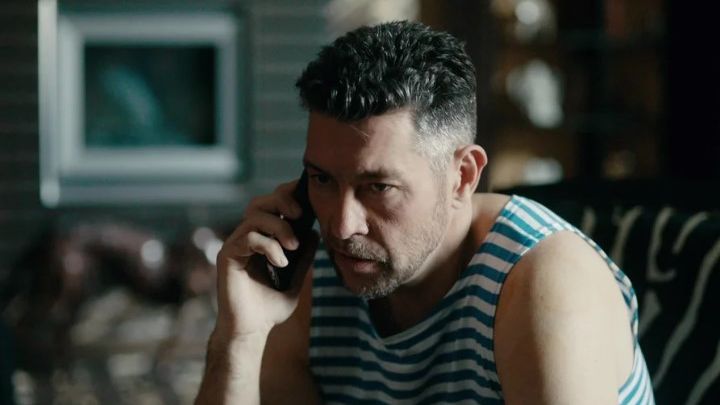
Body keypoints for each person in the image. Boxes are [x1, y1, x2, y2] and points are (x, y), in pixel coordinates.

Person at [195, 21, 654, 404]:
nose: (341, 225)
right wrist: (240, 337)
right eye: (322, 179)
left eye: (379, 187)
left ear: (462, 176)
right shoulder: (310, 272)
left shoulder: (545, 285)